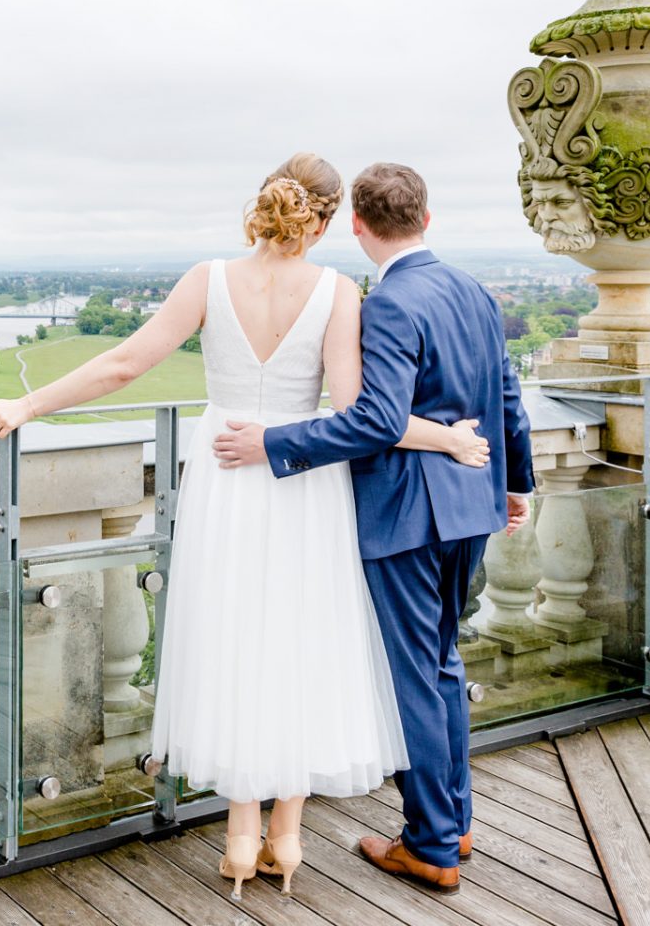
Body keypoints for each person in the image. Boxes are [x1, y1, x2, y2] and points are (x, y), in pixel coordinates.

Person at [0, 153, 492, 901]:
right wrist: (443, 438)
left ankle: (241, 832)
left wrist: (26, 406)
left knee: (233, 637)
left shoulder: (206, 280)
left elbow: (123, 365)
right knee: (298, 641)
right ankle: (288, 831)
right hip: (304, 484)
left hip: (223, 475)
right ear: (323, 221)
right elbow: (361, 417)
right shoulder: (341, 292)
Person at [213, 162, 534, 897]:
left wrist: (273, 444)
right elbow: (506, 392)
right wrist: (515, 482)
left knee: (419, 676)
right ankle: (453, 820)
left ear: (357, 225)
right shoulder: (474, 291)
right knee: (444, 664)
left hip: (407, 517)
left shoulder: (388, 302)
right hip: (471, 507)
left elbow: (377, 422)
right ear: (429, 218)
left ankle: (429, 845)